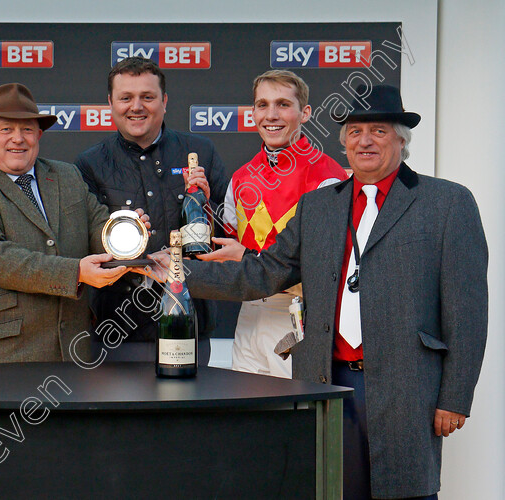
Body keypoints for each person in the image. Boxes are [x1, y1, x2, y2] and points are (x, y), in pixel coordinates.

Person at [142, 85, 487, 499]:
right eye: (355, 131)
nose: (365, 140)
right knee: (326, 488)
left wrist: (455, 396)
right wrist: (180, 274)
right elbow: (263, 272)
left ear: (401, 139)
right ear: (343, 142)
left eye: (378, 130)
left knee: (406, 491)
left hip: (407, 390)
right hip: (325, 384)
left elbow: (467, 311)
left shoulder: (448, 203)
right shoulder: (318, 206)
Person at [0, 83, 137, 368]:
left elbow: (99, 227)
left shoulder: (67, 175)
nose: (18, 139)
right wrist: (76, 273)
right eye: (6, 129)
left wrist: (128, 233)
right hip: (1, 356)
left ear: (39, 135)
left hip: (73, 349)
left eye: (27, 130)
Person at [75, 56, 230, 361]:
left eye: (147, 97)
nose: (136, 106)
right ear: (110, 103)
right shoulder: (89, 164)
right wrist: (123, 236)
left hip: (190, 322)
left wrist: (207, 205)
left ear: (165, 101)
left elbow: (228, 237)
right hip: (118, 328)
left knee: (186, 408)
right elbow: (82, 243)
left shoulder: (201, 152)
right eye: (126, 98)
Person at [204, 70, 347, 378]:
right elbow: (227, 246)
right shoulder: (241, 178)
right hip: (250, 313)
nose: (271, 115)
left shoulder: (328, 178)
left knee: (295, 418)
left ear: (305, 113)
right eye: (262, 104)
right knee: (248, 419)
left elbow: (327, 271)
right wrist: (202, 208)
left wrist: (246, 258)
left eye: (283, 104)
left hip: (299, 316)